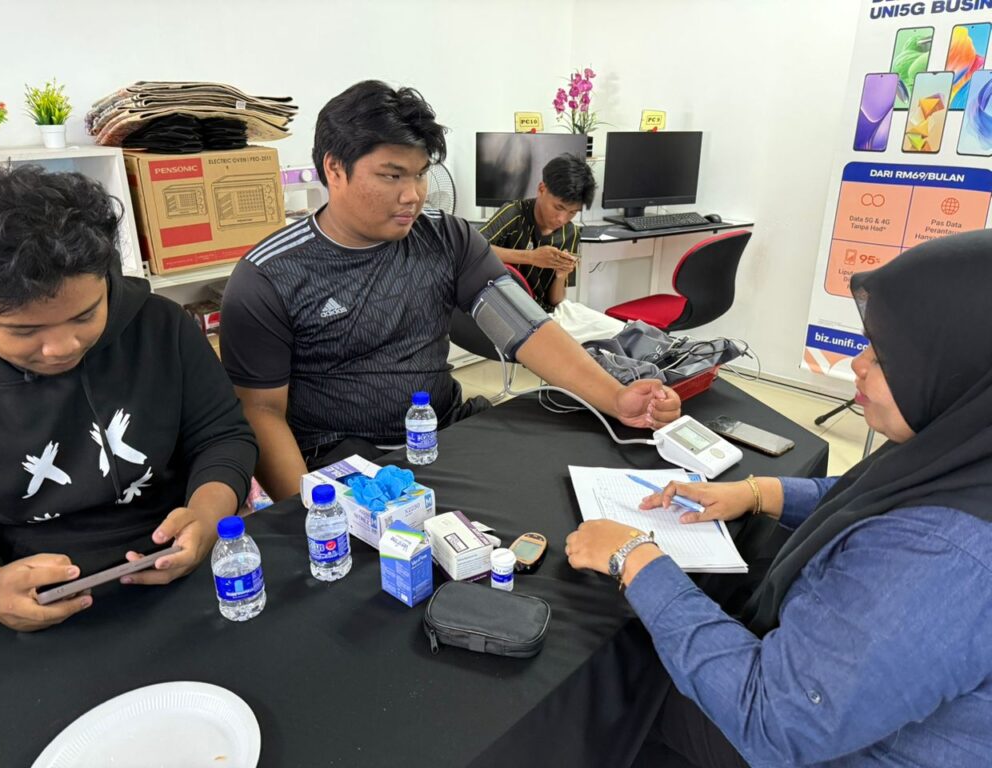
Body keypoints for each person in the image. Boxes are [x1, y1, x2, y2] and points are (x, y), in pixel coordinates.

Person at [565, 230, 992, 766]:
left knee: (623, 682)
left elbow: (772, 719)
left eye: (884, 357)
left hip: (821, 744)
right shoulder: (963, 449)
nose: (858, 365)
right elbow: (869, 496)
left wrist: (635, 557)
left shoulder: (942, 556)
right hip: (847, 712)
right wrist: (758, 492)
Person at [221, 80, 681, 502]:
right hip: (343, 456)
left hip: (441, 431)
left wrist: (616, 397)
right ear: (334, 169)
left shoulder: (447, 237)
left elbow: (528, 329)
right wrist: (306, 511)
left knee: (562, 487)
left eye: (420, 174)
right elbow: (261, 411)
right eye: (392, 175)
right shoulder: (269, 276)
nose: (413, 195)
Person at [0, 167, 258, 632]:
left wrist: (207, 518)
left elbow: (222, 437)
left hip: (180, 561)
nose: (62, 347)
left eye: (85, 315)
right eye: (24, 331)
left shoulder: (161, 326)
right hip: (24, 598)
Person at [477, 153, 594, 312]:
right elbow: (474, 249)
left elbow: (555, 301)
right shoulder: (514, 213)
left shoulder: (570, 233)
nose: (562, 219)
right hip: (505, 307)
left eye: (572, 212)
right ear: (541, 189)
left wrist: (561, 276)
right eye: (558, 207)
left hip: (543, 313)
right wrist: (531, 257)